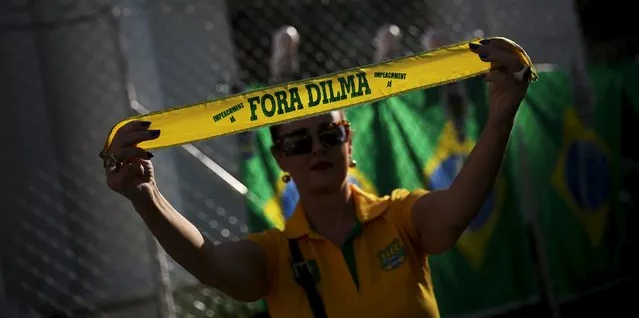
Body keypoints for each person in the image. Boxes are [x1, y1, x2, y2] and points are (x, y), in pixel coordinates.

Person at [101, 38, 532, 317]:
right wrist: (146, 195)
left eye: (329, 134)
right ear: (279, 159)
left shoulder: (401, 217)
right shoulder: (274, 256)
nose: (318, 149)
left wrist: (501, 114)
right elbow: (209, 262)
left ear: (349, 141)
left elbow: (457, 210)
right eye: (298, 143)